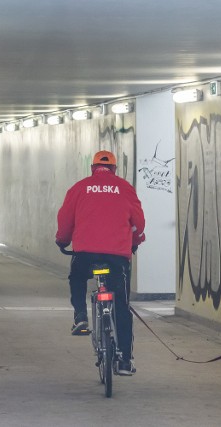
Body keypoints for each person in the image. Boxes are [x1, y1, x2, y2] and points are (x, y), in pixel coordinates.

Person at [55, 150, 145, 376]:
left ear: (93, 168)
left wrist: (62, 241)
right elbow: (138, 223)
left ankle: (80, 317)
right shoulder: (125, 188)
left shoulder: (79, 188)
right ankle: (124, 361)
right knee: (122, 306)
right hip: (116, 256)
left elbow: (66, 219)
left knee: (76, 277)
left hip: (85, 254)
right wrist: (135, 242)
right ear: (114, 169)